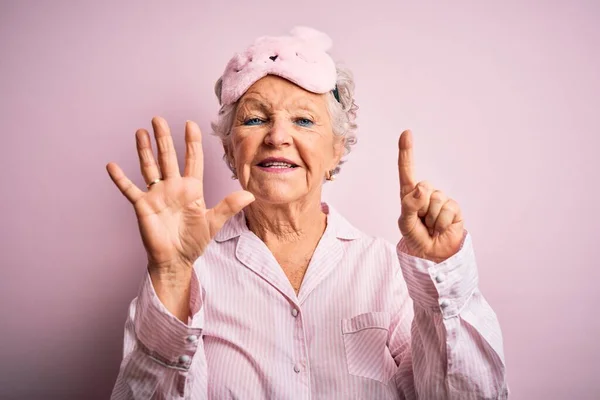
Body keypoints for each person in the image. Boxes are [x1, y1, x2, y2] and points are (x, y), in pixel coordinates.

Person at [106, 27, 508, 399]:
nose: (278, 136)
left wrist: (441, 275)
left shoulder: (385, 269)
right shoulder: (191, 273)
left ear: (337, 149)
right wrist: (173, 275)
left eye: (303, 120)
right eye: (255, 118)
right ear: (230, 149)